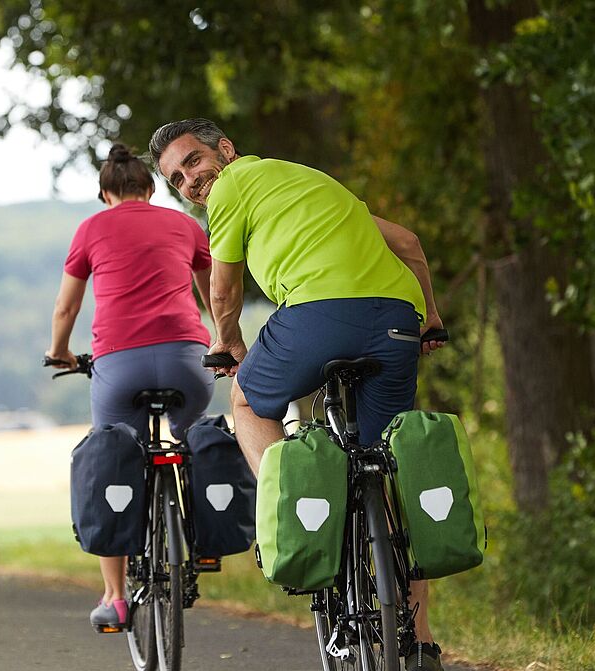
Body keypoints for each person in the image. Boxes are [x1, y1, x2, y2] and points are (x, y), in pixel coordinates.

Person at [149, 118, 449, 670]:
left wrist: (227, 342)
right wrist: (430, 317)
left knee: (245, 402)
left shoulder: (233, 186)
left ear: (226, 150)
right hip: (396, 322)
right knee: (389, 468)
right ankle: (420, 639)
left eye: (193, 162)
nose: (190, 181)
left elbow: (222, 283)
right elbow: (407, 242)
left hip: (319, 317)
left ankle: (291, 517)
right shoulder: (316, 182)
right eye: (176, 179)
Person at [45, 142, 216, 631]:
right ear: (151, 188)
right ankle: (202, 540)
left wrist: (60, 351)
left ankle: (116, 598)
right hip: (189, 360)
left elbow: (66, 308)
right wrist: (224, 339)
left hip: (120, 365)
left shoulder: (91, 228)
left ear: (105, 193)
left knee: (114, 456)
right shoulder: (184, 224)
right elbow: (213, 292)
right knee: (192, 439)